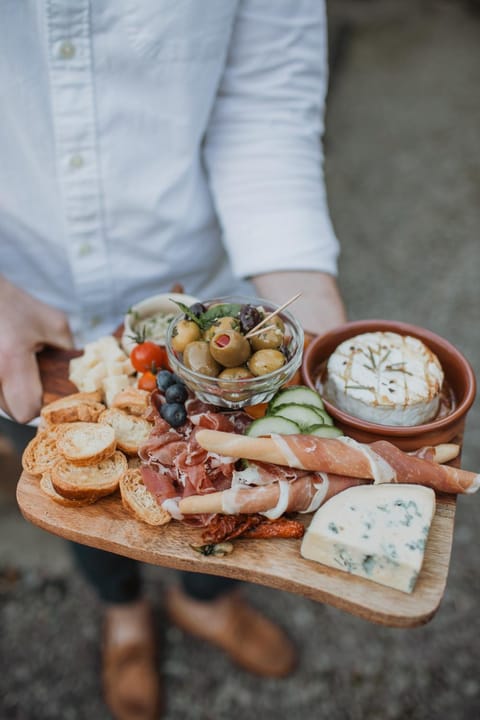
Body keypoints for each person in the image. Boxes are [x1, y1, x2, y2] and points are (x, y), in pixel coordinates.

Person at [0, 1, 346, 718]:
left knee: (230, 485)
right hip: (21, 312)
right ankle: (123, 615)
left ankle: (206, 603)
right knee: (76, 485)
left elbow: (265, 102)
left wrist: (309, 299)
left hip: (198, 279)